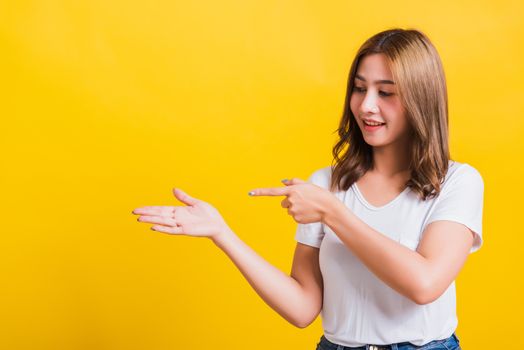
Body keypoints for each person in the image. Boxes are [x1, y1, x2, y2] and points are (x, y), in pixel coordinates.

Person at [132, 28, 483, 350]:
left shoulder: (457, 182)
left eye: (386, 92)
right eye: (359, 89)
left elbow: (424, 284)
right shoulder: (326, 184)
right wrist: (222, 233)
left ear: (421, 99)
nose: (366, 105)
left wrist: (332, 213)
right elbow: (303, 308)